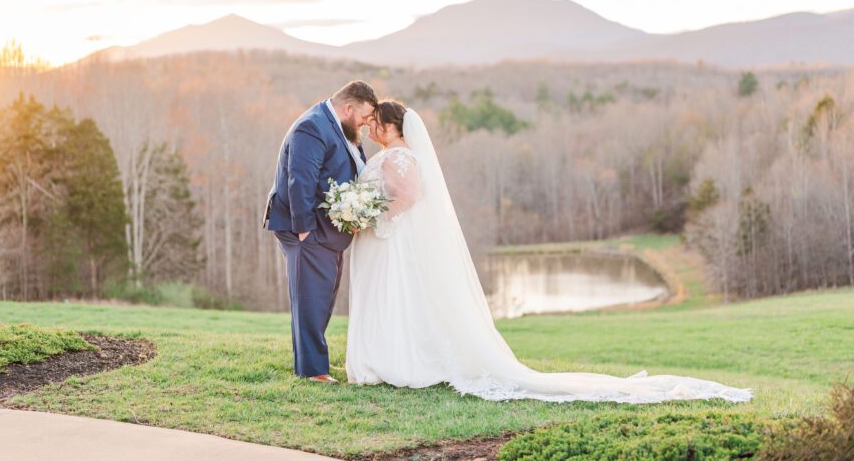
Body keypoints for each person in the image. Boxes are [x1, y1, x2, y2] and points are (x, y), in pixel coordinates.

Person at [345, 99, 753, 403]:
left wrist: (374, 218)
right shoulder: (387, 156)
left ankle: (403, 362)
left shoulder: (401, 156)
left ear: (394, 126)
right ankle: (391, 358)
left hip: (392, 239)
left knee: (397, 297)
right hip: (389, 243)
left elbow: (410, 197)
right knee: (395, 300)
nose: (373, 127)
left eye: (377, 122)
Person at [264, 80, 378, 383]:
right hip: (305, 228)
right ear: (348, 107)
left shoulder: (344, 129)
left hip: (328, 231)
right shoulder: (312, 127)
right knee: (311, 298)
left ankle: (316, 361)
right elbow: (299, 179)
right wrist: (303, 229)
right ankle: (313, 371)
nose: (367, 124)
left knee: (322, 296)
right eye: (365, 117)